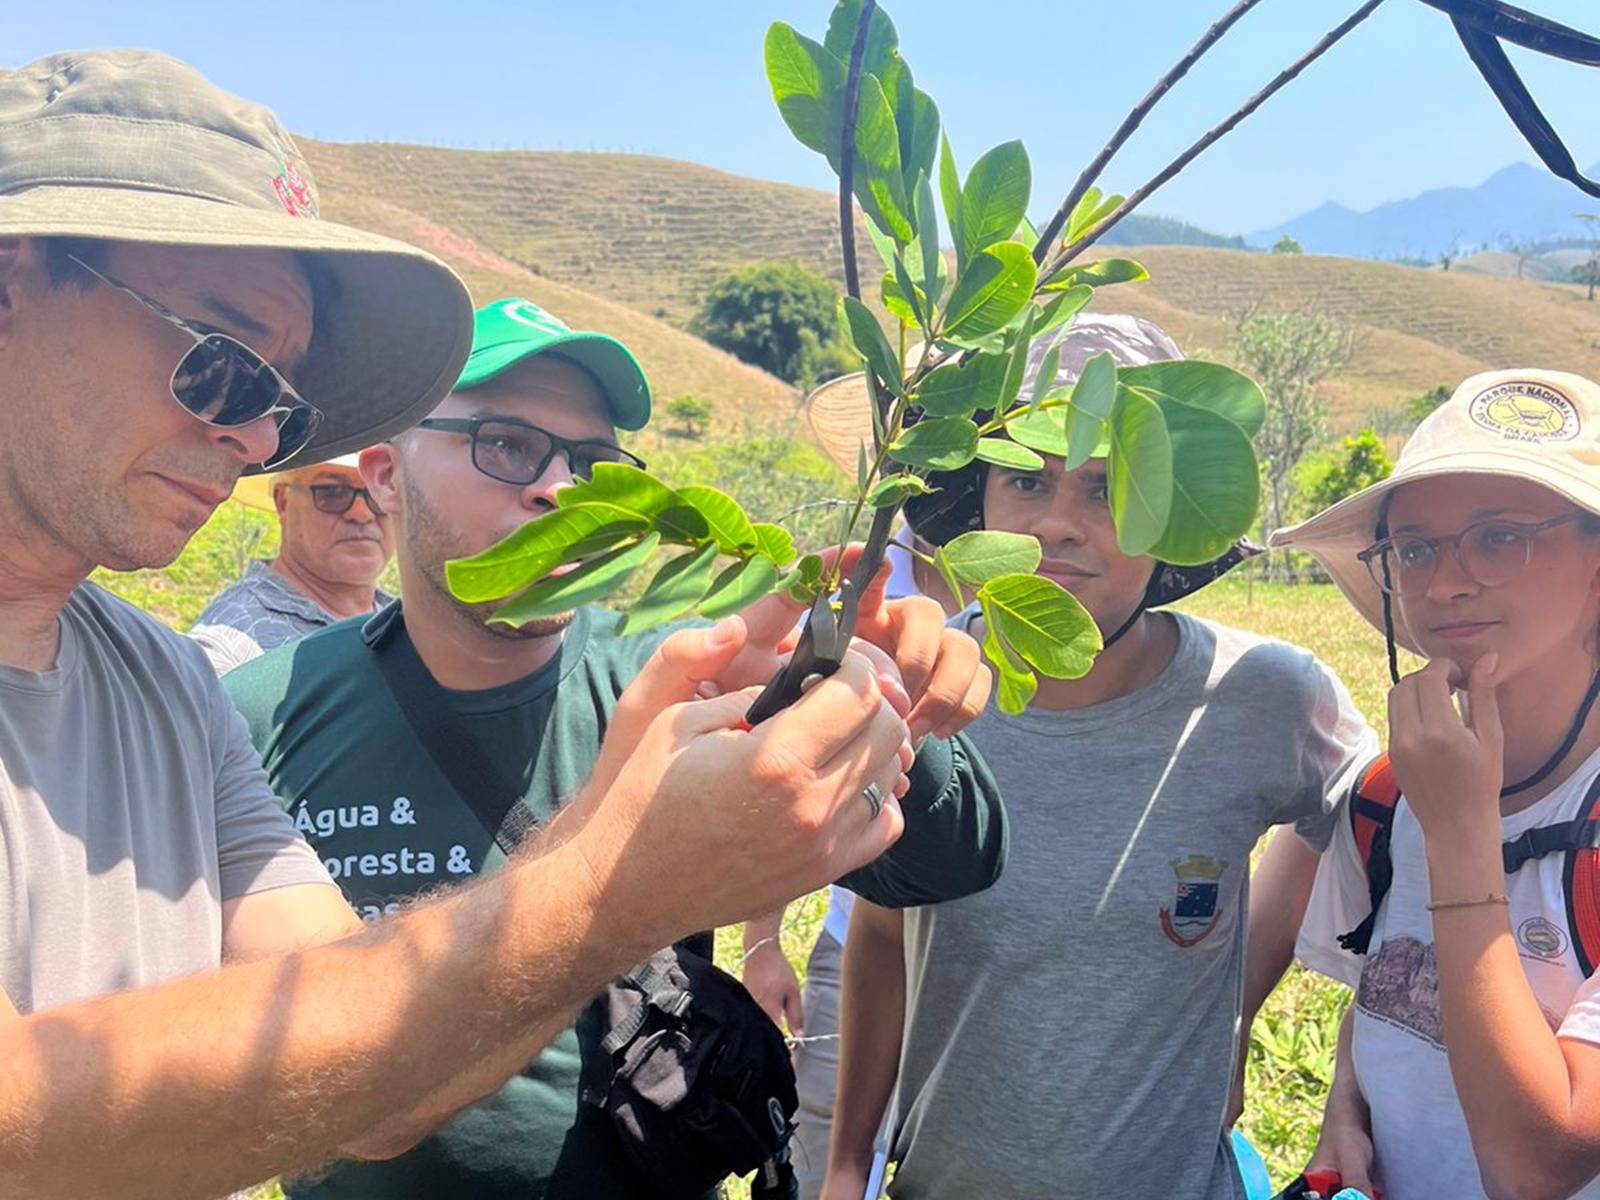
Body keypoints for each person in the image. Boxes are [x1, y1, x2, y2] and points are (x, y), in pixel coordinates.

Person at [0, 50, 993, 1200]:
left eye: (281, 399)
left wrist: (659, 795)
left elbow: (358, 1080)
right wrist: (621, 880)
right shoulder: (251, 696)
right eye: (223, 362)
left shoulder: (166, 690)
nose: (256, 440)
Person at [221, 297, 1005, 1198]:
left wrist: (880, 691)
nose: (560, 488)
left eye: (593, 463)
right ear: (388, 476)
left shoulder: (684, 680)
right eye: (507, 444)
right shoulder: (261, 712)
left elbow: (952, 863)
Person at [815, 315, 1376, 1200]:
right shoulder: (920, 687)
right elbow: (883, 932)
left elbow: (1395, 865)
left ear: (1172, 519)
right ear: (981, 506)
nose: (1059, 526)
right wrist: (848, 1164)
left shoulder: (1263, 698)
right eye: (1024, 481)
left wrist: (1294, 1056)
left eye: (1110, 489)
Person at [1272, 368, 1600, 1200]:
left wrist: (1461, 838)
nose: (1446, 582)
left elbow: (1540, 1165)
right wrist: (1342, 1109)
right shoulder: (1387, 797)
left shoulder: (1437, 802)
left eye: (1499, 537)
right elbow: (1387, 985)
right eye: (1416, 548)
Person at [190, 452, 394, 673]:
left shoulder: (412, 627)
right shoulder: (228, 651)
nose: (361, 513)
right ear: (283, 502)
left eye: (378, 492)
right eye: (333, 492)